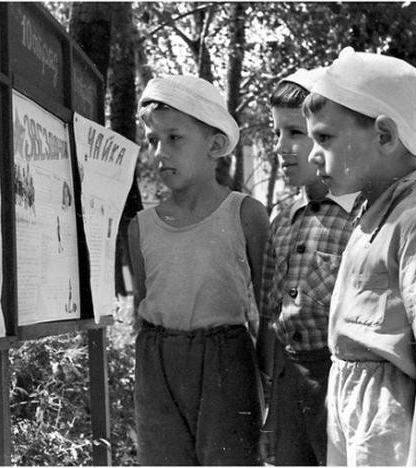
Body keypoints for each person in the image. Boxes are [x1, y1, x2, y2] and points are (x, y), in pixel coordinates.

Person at [303, 47, 416, 466]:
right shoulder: (371, 217)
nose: (314, 155)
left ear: (384, 136)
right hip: (369, 431)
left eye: (324, 137)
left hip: (406, 437)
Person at [128, 74, 269, 465]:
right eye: (153, 140)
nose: (160, 153)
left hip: (226, 361)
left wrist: (272, 385)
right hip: (158, 365)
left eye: (175, 138)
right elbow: (142, 305)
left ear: (215, 144)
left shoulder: (246, 214)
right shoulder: (141, 228)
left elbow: (270, 311)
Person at [257, 67, 362, 466]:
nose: (281, 146)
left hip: (338, 380)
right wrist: (269, 406)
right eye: (276, 133)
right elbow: (270, 317)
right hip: (287, 381)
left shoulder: (361, 219)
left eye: (295, 133)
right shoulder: (281, 220)